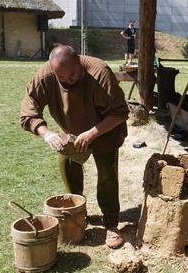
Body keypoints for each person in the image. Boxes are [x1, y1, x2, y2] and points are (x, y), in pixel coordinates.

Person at [20, 45, 129, 249]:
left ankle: (111, 223)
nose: (68, 80)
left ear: (79, 62)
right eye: (63, 78)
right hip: (71, 132)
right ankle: (78, 215)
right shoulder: (47, 76)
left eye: (73, 75)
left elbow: (120, 112)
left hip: (105, 130)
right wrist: (47, 133)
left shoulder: (99, 73)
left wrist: (91, 133)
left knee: (107, 175)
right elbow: (28, 112)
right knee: (68, 165)